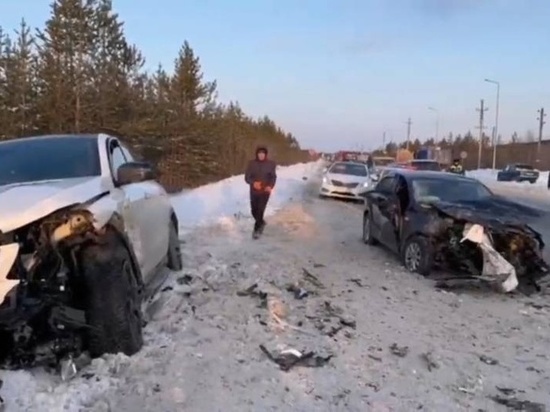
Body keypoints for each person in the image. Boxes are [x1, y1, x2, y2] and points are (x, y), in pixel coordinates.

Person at [244, 146, 277, 237]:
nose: (261, 155)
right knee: (254, 211)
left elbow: (273, 177)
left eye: (263, 154)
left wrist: (270, 186)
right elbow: (247, 177)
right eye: (259, 154)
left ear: (265, 155)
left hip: (265, 191)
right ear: (257, 154)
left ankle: (256, 231)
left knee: (260, 210)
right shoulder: (251, 164)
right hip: (254, 191)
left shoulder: (271, 164)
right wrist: (253, 183)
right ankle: (261, 222)